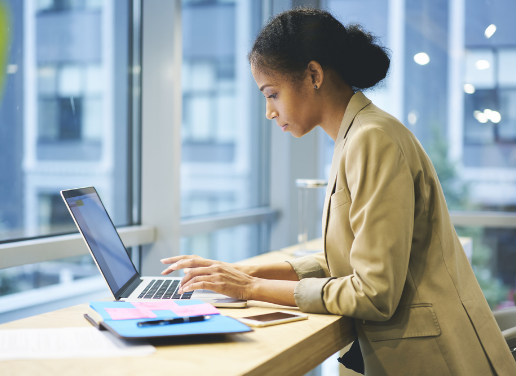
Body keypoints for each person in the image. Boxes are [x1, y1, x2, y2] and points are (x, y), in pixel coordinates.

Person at [160, 8, 515, 376]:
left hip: (435, 361)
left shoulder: (372, 139)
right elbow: (350, 258)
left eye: (272, 94)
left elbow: (374, 293)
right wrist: (238, 272)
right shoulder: (356, 135)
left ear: (313, 75)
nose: (269, 111)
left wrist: (251, 288)